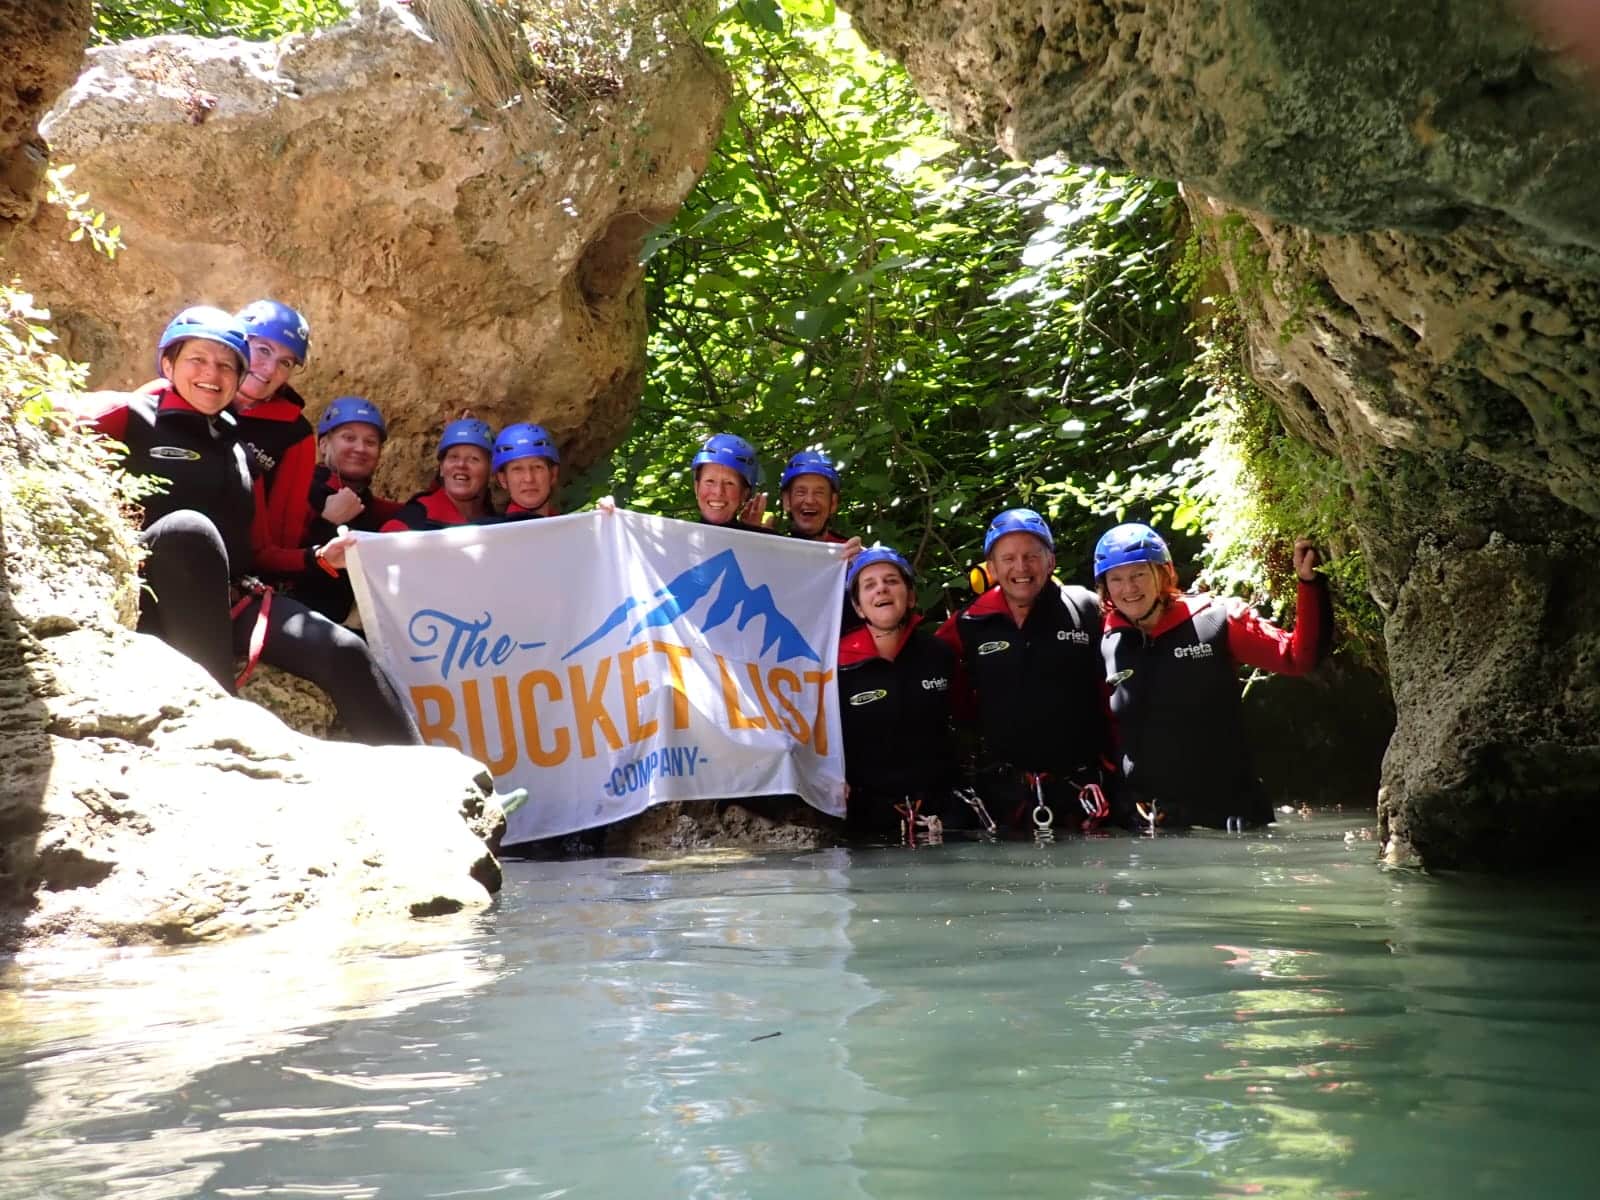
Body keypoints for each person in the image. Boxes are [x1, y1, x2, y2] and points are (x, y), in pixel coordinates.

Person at [81, 306, 419, 745]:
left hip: (229, 598)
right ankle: (219, 714)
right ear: (168, 364)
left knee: (346, 652)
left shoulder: (238, 451)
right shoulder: (131, 413)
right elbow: (46, 423)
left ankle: (429, 781)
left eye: (226, 365)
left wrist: (317, 559)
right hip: (155, 592)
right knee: (188, 530)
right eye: (197, 360)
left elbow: (257, 551)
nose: (212, 373)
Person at [1096, 522, 1332, 830]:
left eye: (1139, 574)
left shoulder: (1217, 620)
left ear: (1164, 573)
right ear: (1105, 587)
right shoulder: (1105, 638)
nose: (1129, 588)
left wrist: (1309, 583)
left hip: (1227, 822)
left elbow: (1298, 657)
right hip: (1149, 825)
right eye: (1117, 579)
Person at [936, 507, 1111, 834]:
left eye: (1032, 556)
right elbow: (924, 670)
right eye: (1009, 558)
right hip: (1002, 795)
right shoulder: (970, 622)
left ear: (1050, 562)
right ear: (991, 568)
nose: (1021, 568)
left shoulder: (1085, 608)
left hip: (1080, 792)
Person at [838, 547, 961, 843]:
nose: (881, 588)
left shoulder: (939, 654)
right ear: (858, 607)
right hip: (864, 824)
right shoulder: (835, 666)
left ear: (911, 596)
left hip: (940, 817)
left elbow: (967, 717)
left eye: (891, 580)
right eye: (869, 584)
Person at [294, 396, 402, 622]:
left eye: (371, 442)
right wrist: (326, 523)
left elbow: (423, 513)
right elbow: (277, 562)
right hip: (295, 616)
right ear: (323, 445)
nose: (360, 448)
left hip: (338, 623)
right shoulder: (300, 491)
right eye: (349, 438)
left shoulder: (370, 507)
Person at [231, 299, 320, 564]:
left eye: (286, 363)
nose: (270, 370)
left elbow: (284, 526)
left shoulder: (293, 432)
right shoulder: (195, 390)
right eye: (263, 350)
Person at [381, 418, 497, 531]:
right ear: (441, 468)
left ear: (491, 470)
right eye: (453, 457)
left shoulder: (498, 524)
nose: (461, 465)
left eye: (473, 459)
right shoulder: (412, 522)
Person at [690, 433, 778, 534]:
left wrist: (755, 539)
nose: (718, 491)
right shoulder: (676, 539)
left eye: (729, 483)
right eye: (710, 481)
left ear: (744, 494)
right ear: (697, 487)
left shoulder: (765, 544)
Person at [492, 422, 561, 519]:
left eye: (537, 467)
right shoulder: (495, 533)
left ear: (553, 474)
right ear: (503, 479)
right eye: (517, 469)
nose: (529, 479)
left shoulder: (568, 528)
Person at [778, 450, 848, 543]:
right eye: (801, 492)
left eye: (819, 493)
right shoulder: (771, 550)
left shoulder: (849, 553)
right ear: (787, 501)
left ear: (833, 503)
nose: (809, 500)